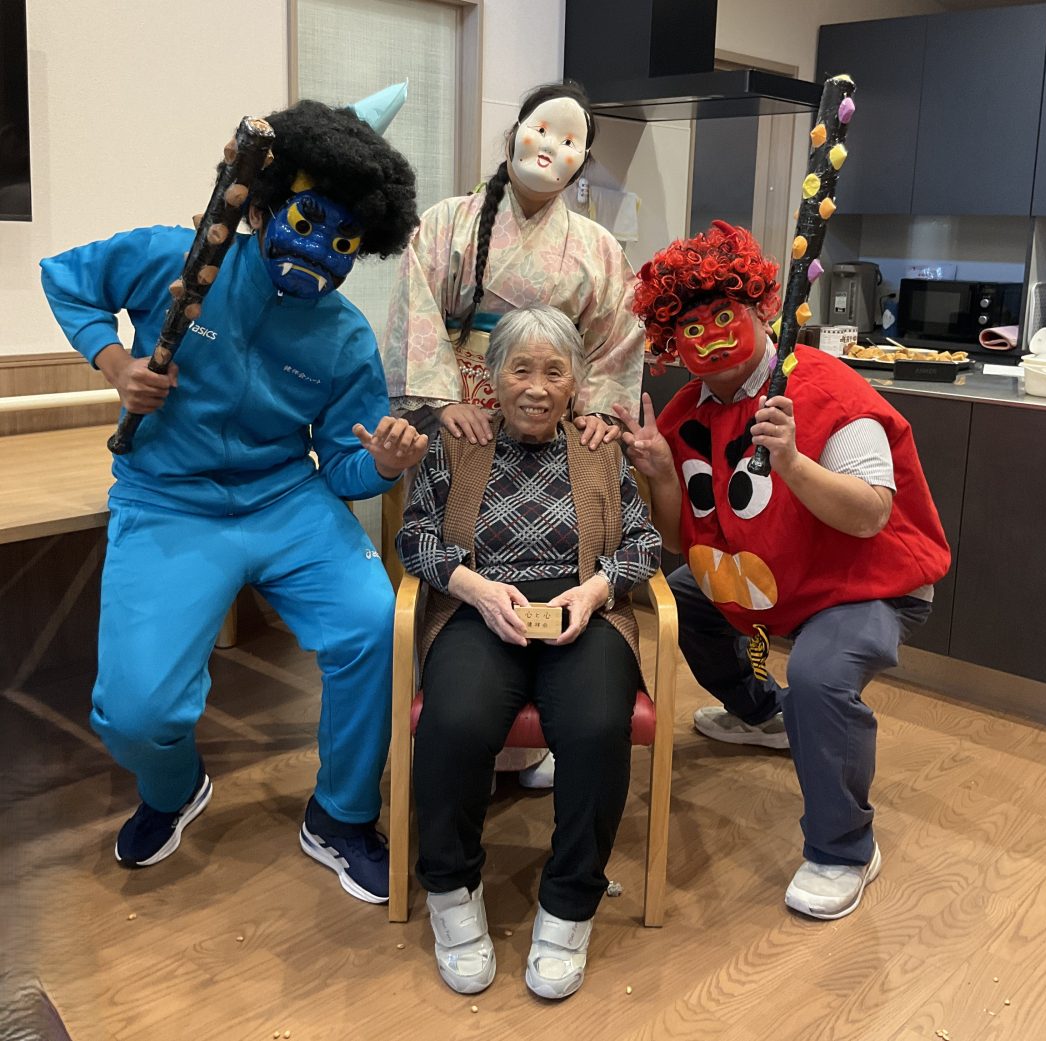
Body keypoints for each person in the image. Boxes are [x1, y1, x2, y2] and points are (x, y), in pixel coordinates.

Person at [39, 98, 426, 905]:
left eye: (345, 241)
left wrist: (383, 465)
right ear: (266, 203)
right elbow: (66, 278)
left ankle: (342, 813)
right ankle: (174, 787)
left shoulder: (346, 335)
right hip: (166, 499)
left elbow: (342, 467)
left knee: (373, 625)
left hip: (286, 498)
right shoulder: (177, 262)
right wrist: (115, 364)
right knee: (135, 712)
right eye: (307, 219)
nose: (319, 248)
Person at [615, 221, 950, 921]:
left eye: (722, 316)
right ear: (670, 340)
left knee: (821, 678)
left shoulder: (826, 389)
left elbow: (870, 516)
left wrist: (793, 462)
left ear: (758, 307)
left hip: (861, 581)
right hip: (766, 575)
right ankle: (761, 714)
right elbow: (679, 542)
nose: (709, 338)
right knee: (684, 600)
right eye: (690, 328)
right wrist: (661, 473)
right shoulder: (685, 413)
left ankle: (843, 848)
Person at [383, 79, 646, 789]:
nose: (551, 148)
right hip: (462, 413)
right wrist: (443, 403)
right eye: (541, 130)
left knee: (559, 547)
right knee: (453, 556)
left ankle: (534, 745)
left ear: (582, 159)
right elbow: (415, 313)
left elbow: (615, 338)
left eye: (570, 141)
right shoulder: (448, 223)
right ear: (514, 135)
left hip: (551, 413)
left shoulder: (596, 247)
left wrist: (594, 411)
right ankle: (457, 737)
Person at [396, 305, 660, 999]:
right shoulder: (459, 442)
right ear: (493, 375)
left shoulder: (601, 447)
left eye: (554, 371)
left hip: (583, 612)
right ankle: (452, 892)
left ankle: (569, 905)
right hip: (479, 608)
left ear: (575, 383)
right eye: (521, 369)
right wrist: (476, 589)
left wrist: (597, 590)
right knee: (456, 721)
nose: (537, 388)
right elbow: (415, 537)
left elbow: (644, 543)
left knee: (597, 724)